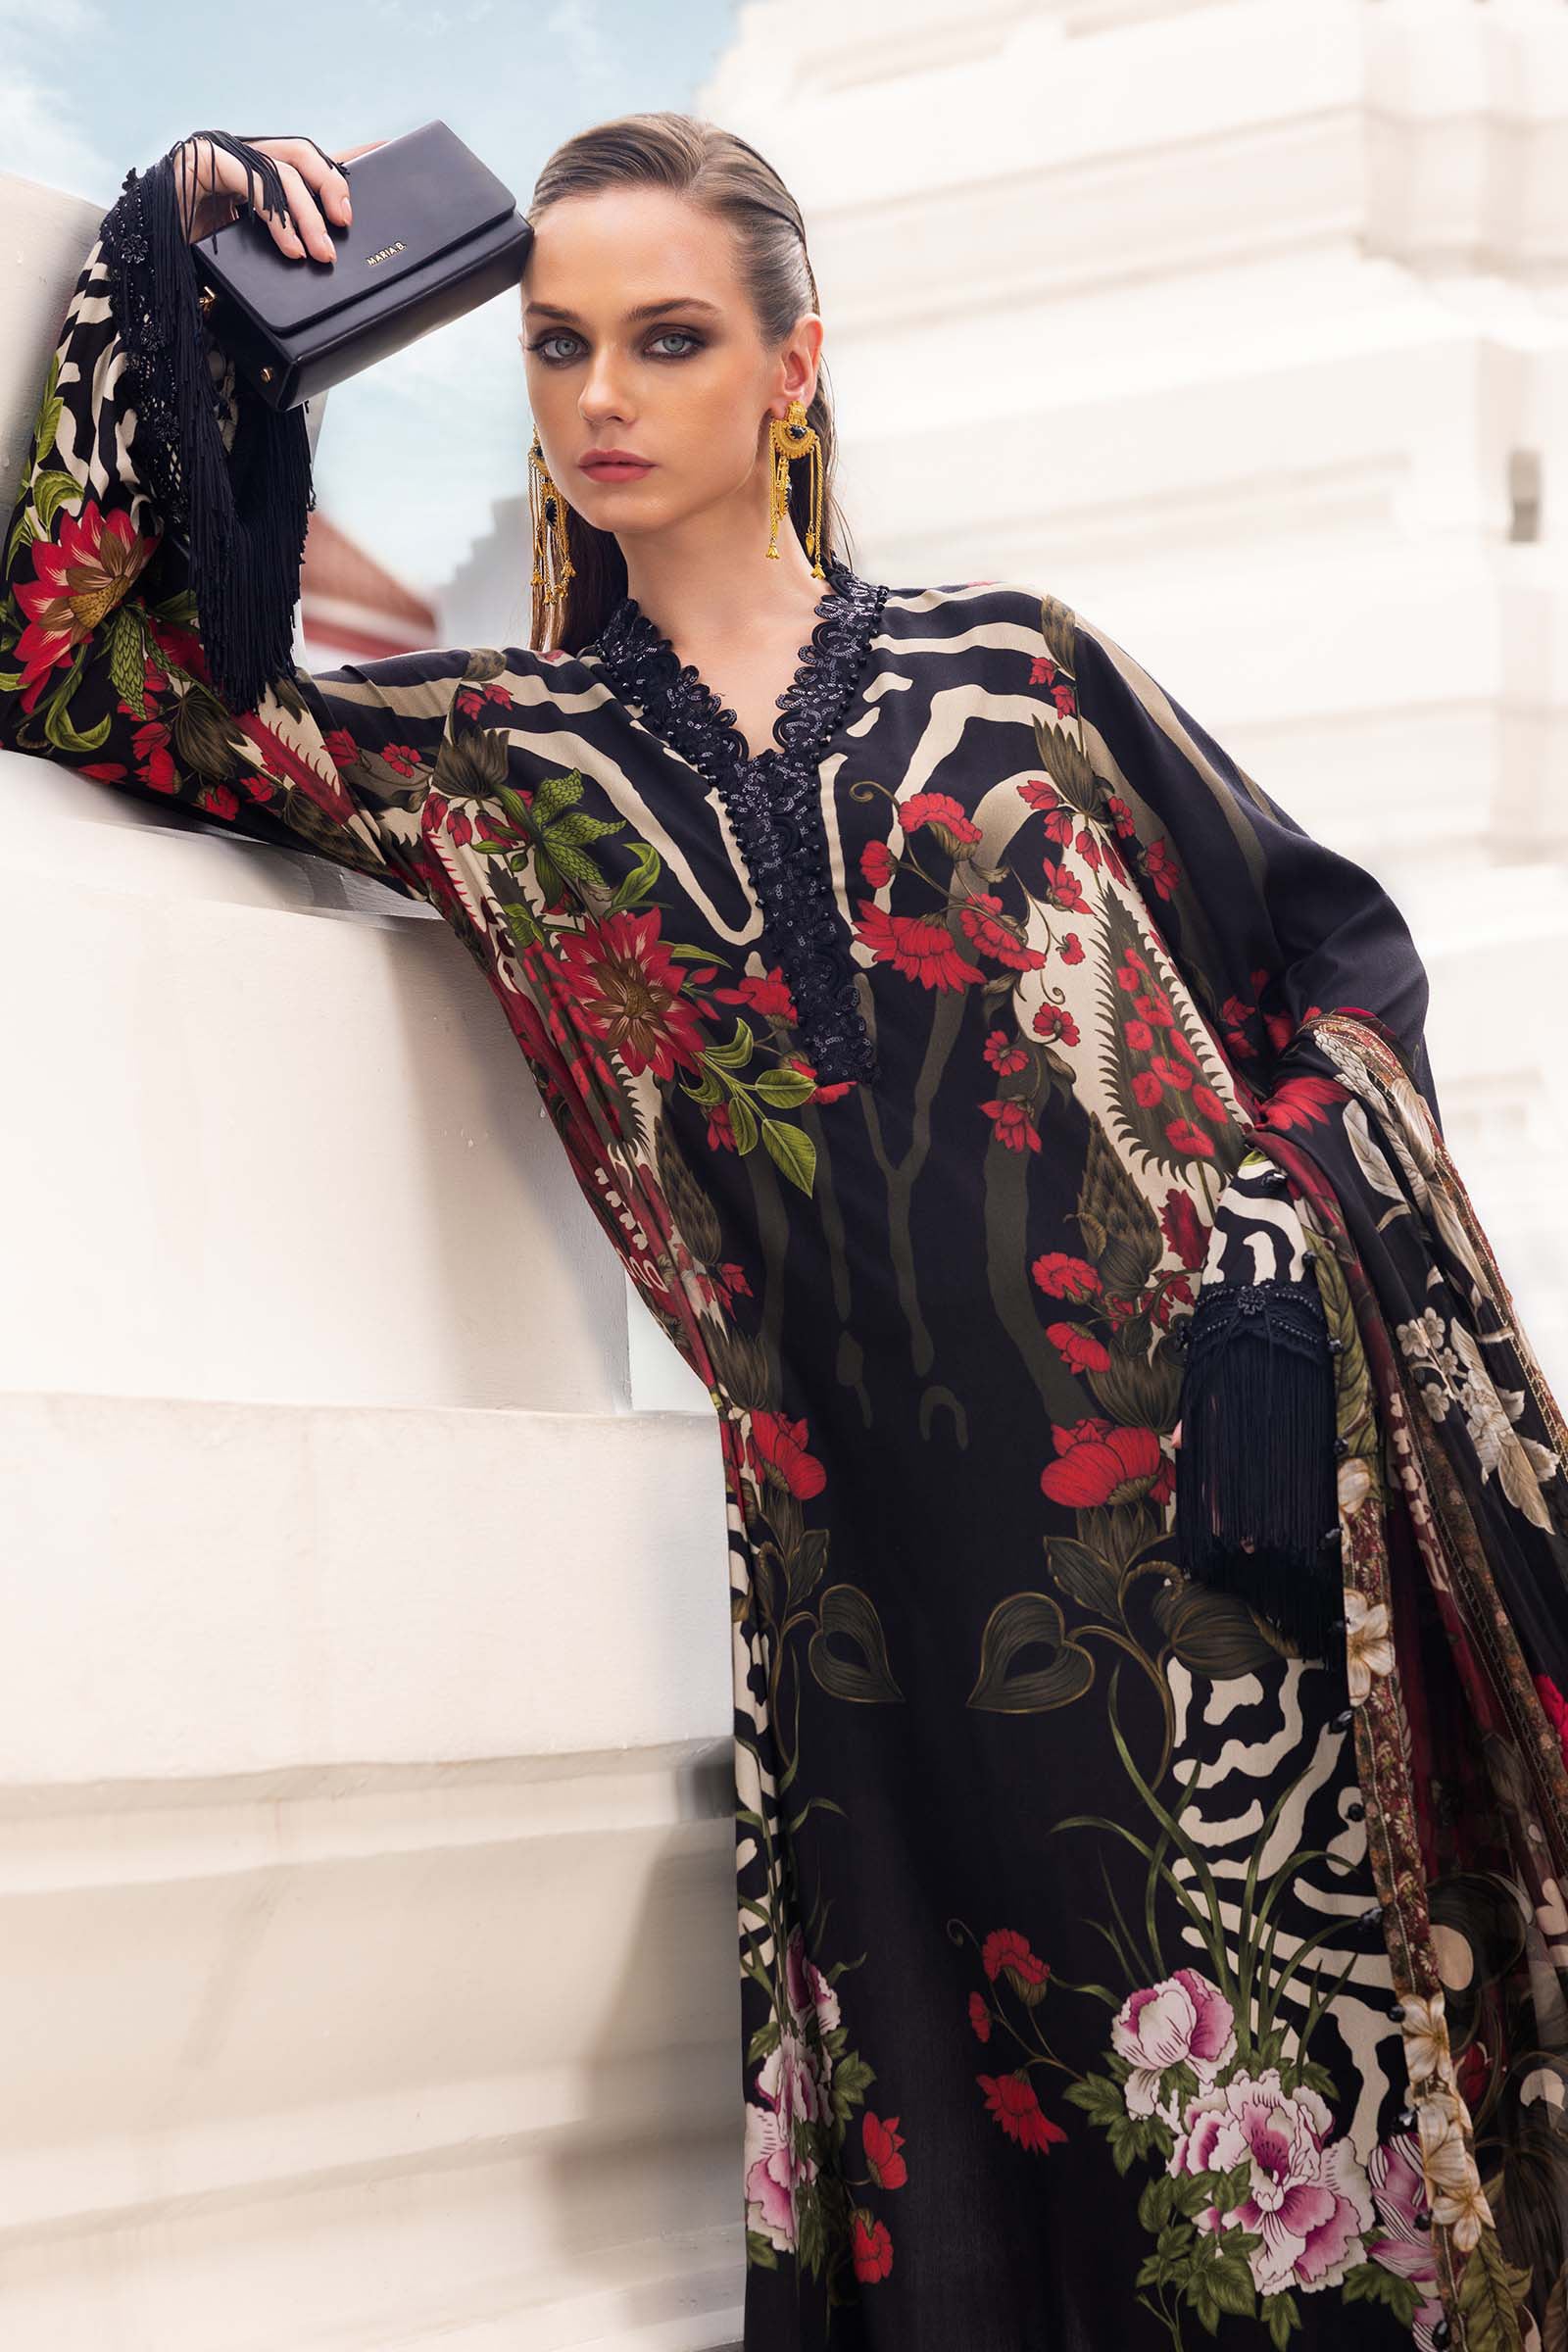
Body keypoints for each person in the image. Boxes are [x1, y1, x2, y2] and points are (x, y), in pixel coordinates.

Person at [4, 111, 1566, 2352]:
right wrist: (188, 255)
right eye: (554, 346)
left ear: (790, 366)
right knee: (1020, 2186)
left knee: (1316, 2182)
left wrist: (1263, 1240)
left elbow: (1327, 957)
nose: (602, 396)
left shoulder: (1017, 672)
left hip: (1220, 1530)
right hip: (881, 1612)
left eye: (667, 338)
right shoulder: (497, 763)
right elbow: (89, 683)